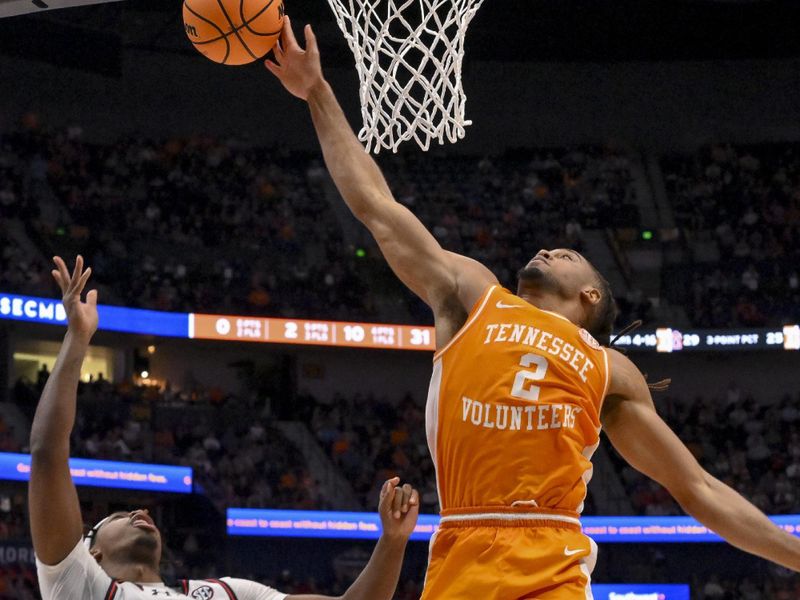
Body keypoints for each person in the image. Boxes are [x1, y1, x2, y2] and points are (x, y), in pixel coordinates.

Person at [265, 18, 800, 598]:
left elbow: (700, 490)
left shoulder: (609, 370)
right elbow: (375, 206)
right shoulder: (473, 297)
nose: (546, 248)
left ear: (591, 295)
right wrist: (316, 90)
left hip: (551, 565)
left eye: (567, 254)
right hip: (461, 553)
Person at [29, 256, 420, 600]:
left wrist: (393, 541)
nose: (140, 510)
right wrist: (77, 339)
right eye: (119, 516)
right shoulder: (79, 586)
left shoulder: (229, 593)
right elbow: (47, 452)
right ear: (91, 552)